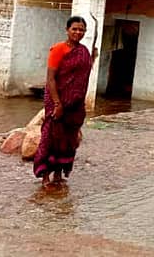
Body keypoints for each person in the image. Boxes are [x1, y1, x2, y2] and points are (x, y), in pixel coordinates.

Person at [34, 16, 94, 186]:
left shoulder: (84, 51)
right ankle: (45, 175)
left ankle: (59, 173)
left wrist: (79, 101)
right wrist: (58, 104)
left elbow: (82, 79)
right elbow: (51, 78)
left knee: (68, 139)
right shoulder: (58, 49)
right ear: (67, 30)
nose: (78, 32)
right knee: (51, 136)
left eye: (81, 29)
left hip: (75, 104)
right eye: (74, 29)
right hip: (57, 100)